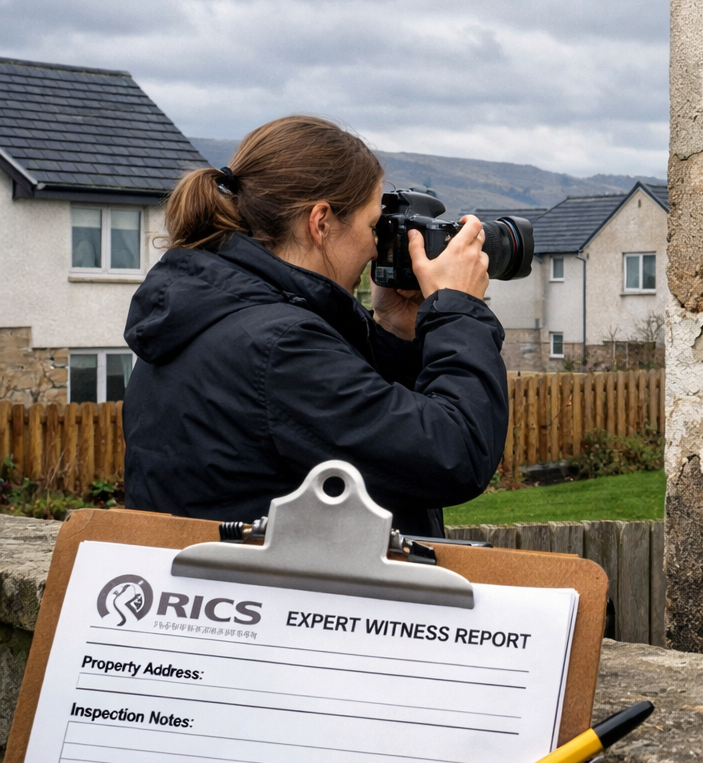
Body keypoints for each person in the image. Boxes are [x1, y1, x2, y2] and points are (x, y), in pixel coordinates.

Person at [123, 115, 507, 536]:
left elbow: (364, 433)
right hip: (288, 598)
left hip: (230, 592)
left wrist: (394, 332)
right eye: (372, 226)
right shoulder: (279, 348)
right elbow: (453, 454)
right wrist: (460, 308)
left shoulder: (204, 317)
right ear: (320, 222)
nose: (376, 247)